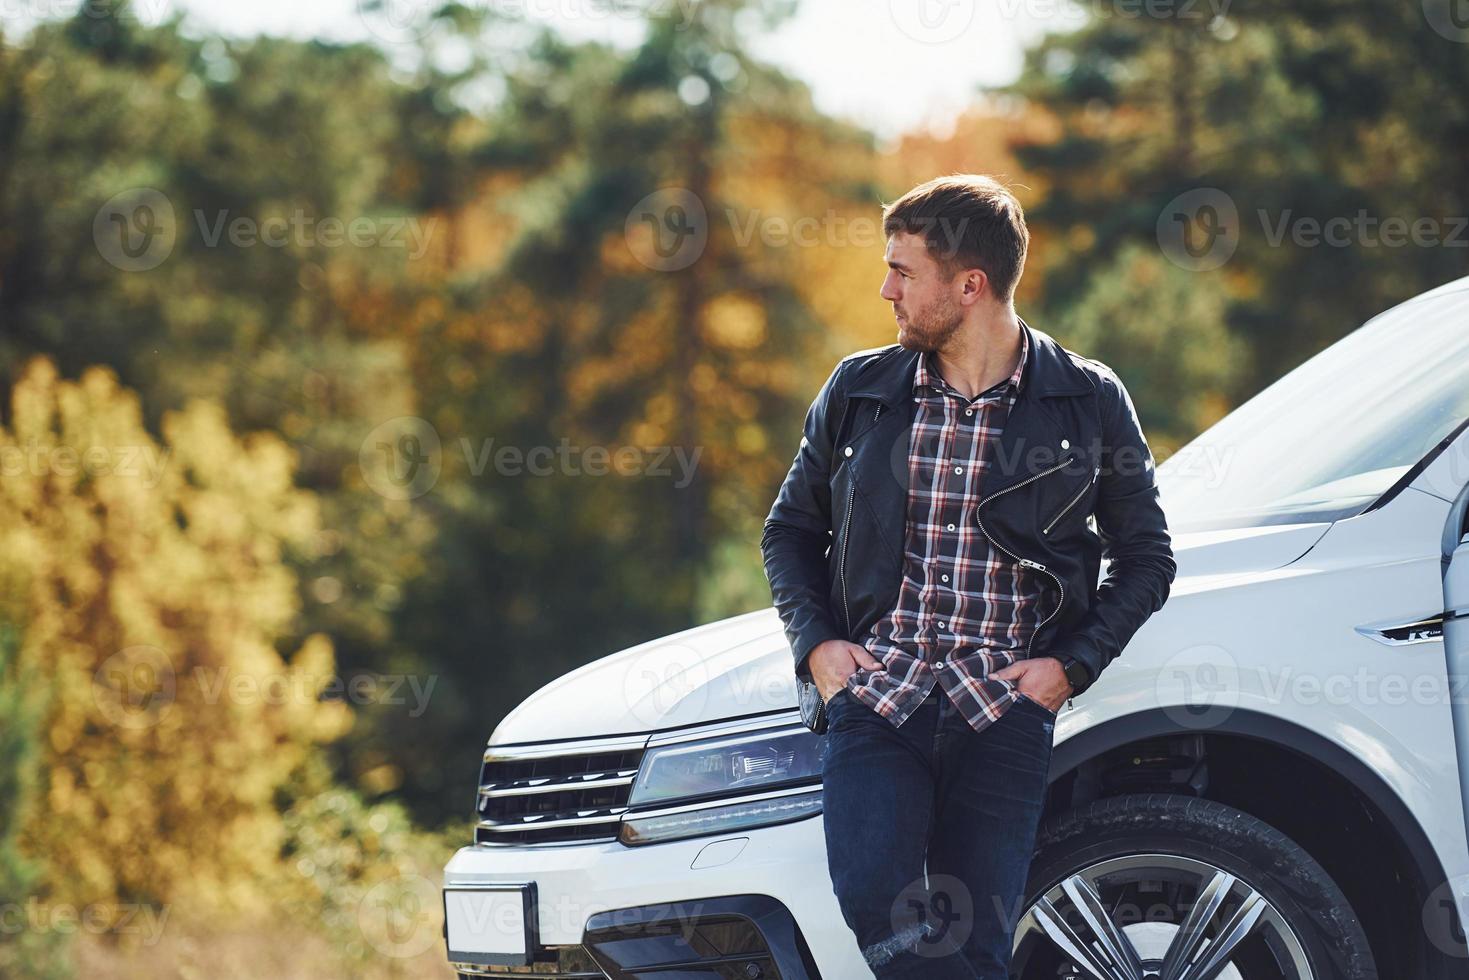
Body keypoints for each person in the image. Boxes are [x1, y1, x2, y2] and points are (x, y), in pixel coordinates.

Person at [760, 173, 1176, 978]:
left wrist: (1069, 667)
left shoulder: (1084, 399)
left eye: (902, 272)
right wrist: (817, 648)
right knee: (876, 896)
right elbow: (790, 529)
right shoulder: (861, 390)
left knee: (979, 942)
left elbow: (1147, 555)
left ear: (969, 285)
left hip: (1003, 712)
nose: (886, 291)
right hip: (881, 696)